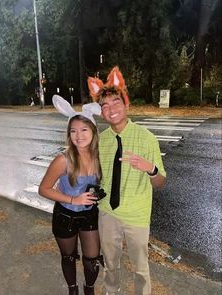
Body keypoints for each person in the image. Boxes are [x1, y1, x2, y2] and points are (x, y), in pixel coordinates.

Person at [87, 66, 166, 295]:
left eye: (115, 102)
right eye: (105, 106)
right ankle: (112, 291)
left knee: (141, 269)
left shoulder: (147, 138)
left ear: (126, 104)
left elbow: (160, 182)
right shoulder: (100, 140)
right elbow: (95, 173)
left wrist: (149, 168)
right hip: (108, 214)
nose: (111, 109)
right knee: (110, 264)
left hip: (137, 217)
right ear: (101, 112)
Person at [39, 95, 104, 295]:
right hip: (65, 216)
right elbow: (44, 189)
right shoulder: (63, 159)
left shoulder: (99, 155)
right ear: (68, 134)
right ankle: (72, 289)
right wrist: (74, 199)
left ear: (93, 131)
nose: (79, 135)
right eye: (73, 131)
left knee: (92, 257)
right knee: (68, 256)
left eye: (84, 129)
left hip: (89, 215)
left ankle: (89, 288)